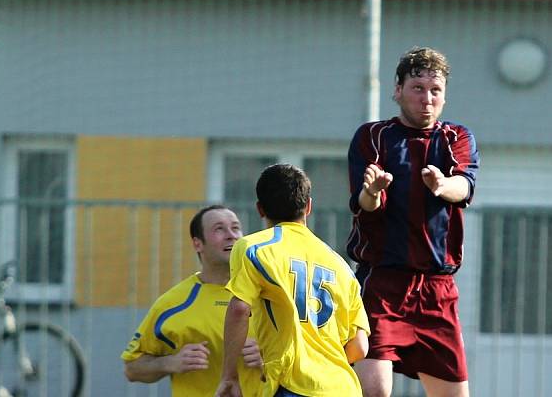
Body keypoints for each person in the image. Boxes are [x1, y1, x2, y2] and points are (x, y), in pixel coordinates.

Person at [347, 46, 480, 397]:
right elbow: (364, 204)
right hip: (383, 284)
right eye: (417, 88)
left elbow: (464, 186)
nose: (427, 98)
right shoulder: (372, 137)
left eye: (435, 91)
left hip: (437, 289)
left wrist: (441, 184)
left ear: (444, 97)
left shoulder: (457, 138)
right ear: (397, 90)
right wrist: (373, 191)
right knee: (374, 392)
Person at [215, 163, 370, 397]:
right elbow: (360, 347)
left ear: (260, 209)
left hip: (293, 385)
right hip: (343, 388)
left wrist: (229, 376)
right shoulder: (341, 266)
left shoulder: (254, 248)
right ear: (308, 207)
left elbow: (239, 310)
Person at [121, 205, 263, 396]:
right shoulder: (174, 302)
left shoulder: (268, 295)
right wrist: (170, 362)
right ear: (198, 244)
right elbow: (132, 369)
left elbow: (308, 358)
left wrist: (269, 358)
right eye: (219, 229)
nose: (231, 235)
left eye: (236, 228)